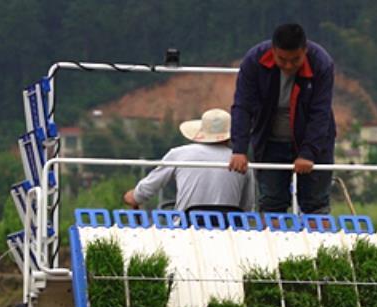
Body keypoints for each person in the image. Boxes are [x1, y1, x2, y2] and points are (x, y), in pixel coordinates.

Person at [228, 23, 335, 214]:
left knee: (316, 203)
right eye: (282, 59)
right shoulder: (254, 60)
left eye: (295, 60)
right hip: (270, 141)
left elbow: (321, 113)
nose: (288, 65)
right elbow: (242, 106)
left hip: (314, 142)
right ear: (273, 50)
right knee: (271, 201)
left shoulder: (321, 63)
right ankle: (272, 240)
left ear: (305, 51)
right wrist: (239, 149)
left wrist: (308, 153)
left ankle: (319, 241)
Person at [124, 108, 255, 216]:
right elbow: (246, 207)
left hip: (186, 227)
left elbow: (146, 190)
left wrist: (134, 196)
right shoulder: (241, 163)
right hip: (228, 231)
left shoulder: (179, 154)